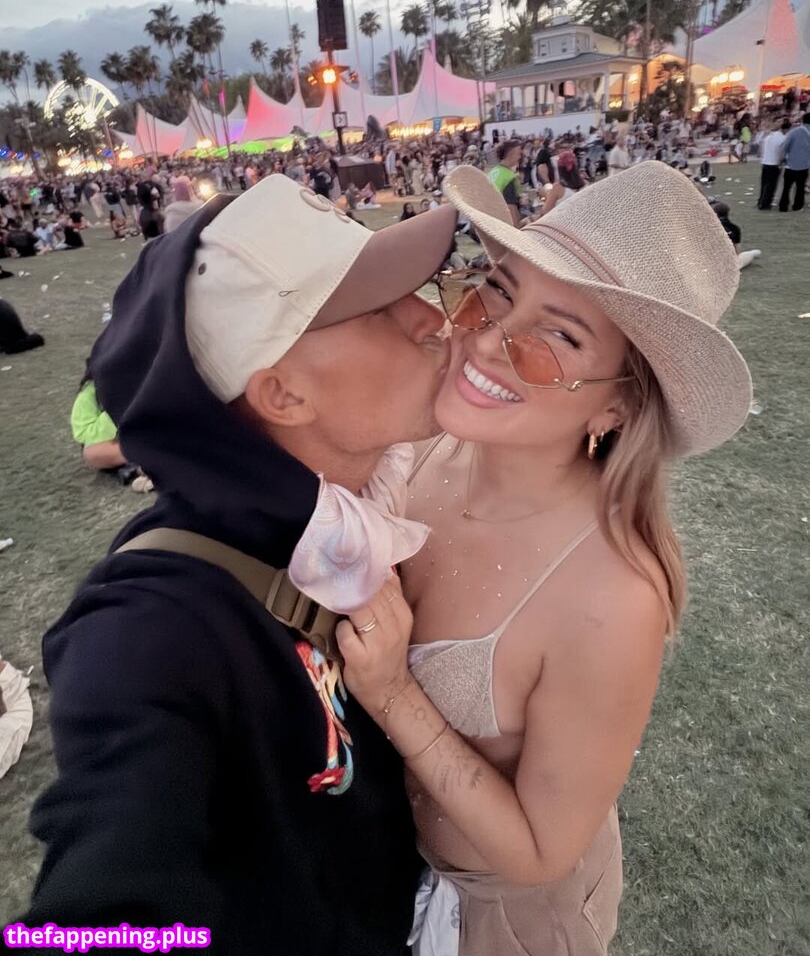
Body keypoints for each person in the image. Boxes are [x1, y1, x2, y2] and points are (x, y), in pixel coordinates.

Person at [21, 176, 457, 955]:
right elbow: (106, 890)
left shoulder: (356, 513)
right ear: (281, 395)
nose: (430, 318)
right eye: (380, 310)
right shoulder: (152, 626)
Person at [338, 161, 752, 956]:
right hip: (378, 875)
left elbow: (539, 851)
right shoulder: (426, 448)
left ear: (618, 402)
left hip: (505, 922)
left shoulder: (612, 596)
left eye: (559, 336)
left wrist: (393, 694)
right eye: (495, 291)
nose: (489, 339)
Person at [712, 201, 761, 269]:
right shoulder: (734, 228)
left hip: (712, 258)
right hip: (727, 260)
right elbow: (737, 248)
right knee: (752, 254)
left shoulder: (708, 227)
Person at [778, 112, 810, 212]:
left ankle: (783, 206)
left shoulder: (794, 132)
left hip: (790, 165)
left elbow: (784, 147)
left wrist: (781, 159)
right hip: (804, 165)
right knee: (800, 188)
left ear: (802, 120)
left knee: (786, 187)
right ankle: (797, 206)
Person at [758, 119, 790, 210]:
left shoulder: (769, 136)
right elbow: (781, 152)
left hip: (765, 162)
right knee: (771, 185)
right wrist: (781, 162)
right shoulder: (783, 138)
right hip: (774, 163)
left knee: (764, 184)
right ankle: (765, 204)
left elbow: (762, 147)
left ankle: (761, 201)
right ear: (786, 129)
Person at [487, 140, 523, 224]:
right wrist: (517, 227)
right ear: (511, 155)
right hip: (500, 221)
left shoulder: (492, 171)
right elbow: (511, 207)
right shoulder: (509, 177)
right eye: (519, 154)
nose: (520, 157)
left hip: (487, 218)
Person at [541, 149, 585, 215]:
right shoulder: (584, 183)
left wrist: (543, 199)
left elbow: (545, 211)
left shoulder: (557, 188)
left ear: (559, 169)